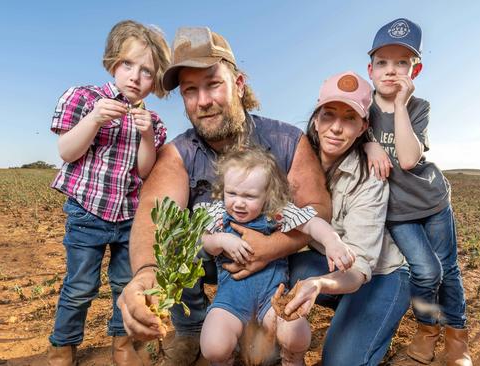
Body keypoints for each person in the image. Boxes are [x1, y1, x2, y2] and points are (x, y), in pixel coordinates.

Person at [116, 27, 331, 366]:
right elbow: (155, 213)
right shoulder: (178, 152)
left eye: (213, 84)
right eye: (190, 90)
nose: (203, 101)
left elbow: (317, 208)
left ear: (239, 83)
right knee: (180, 235)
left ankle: (265, 323)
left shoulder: (286, 140)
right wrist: (145, 274)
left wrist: (270, 248)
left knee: (272, 352)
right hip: (212, 261)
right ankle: (191, 328)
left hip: (274, 271)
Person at [47, 20, 170, 366]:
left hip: (129, 217)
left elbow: (145, 171)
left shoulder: (153, 121)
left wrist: (146, 137)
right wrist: (95, 120)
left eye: (147, 71)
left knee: (124, 285)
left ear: (156, 79)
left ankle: (122, 345)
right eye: (128, 65)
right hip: (87, 212)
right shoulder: (85, 98)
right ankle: (62, 345)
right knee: (79, 286)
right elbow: (67, 151)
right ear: (113, 63)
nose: (135, 77)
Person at [282, 71, 410, 365]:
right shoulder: (294, 157)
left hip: (379, 274)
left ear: (363, 125)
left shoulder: (370, 177)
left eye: (349, 118)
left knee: (340, 362)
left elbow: (360, 266)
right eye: (328, 115)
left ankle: (370, 318)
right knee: (276, 273)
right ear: (316, 118)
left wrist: (319, 285)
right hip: (328, 262)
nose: (336, 128)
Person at [364, 18, 472, 365]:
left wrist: (399, 105)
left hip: (433, 201)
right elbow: (345, 132)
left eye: (402, 63)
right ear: (370, 69)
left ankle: (457, 342)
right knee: (426, 272)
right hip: (398, 212)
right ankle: (427, 330)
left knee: (449, 269)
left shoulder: (418, 107)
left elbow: (409, 159)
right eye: (382, 62)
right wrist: (369, 145)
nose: (391, 71)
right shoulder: (361, 110)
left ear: (416, 69)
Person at [196, 146, 355, 365]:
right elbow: (204, 241)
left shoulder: (276, 213)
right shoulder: (218, 214)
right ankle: (226, 359)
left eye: (250, 196)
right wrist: (220, 240)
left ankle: (292, 358)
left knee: (296, 333)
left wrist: (331, 241)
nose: (239, 202)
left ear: (267, 195)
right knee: (213, 346)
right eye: (232, 193)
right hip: (231, 300)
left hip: (272, 299)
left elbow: (312, 223)